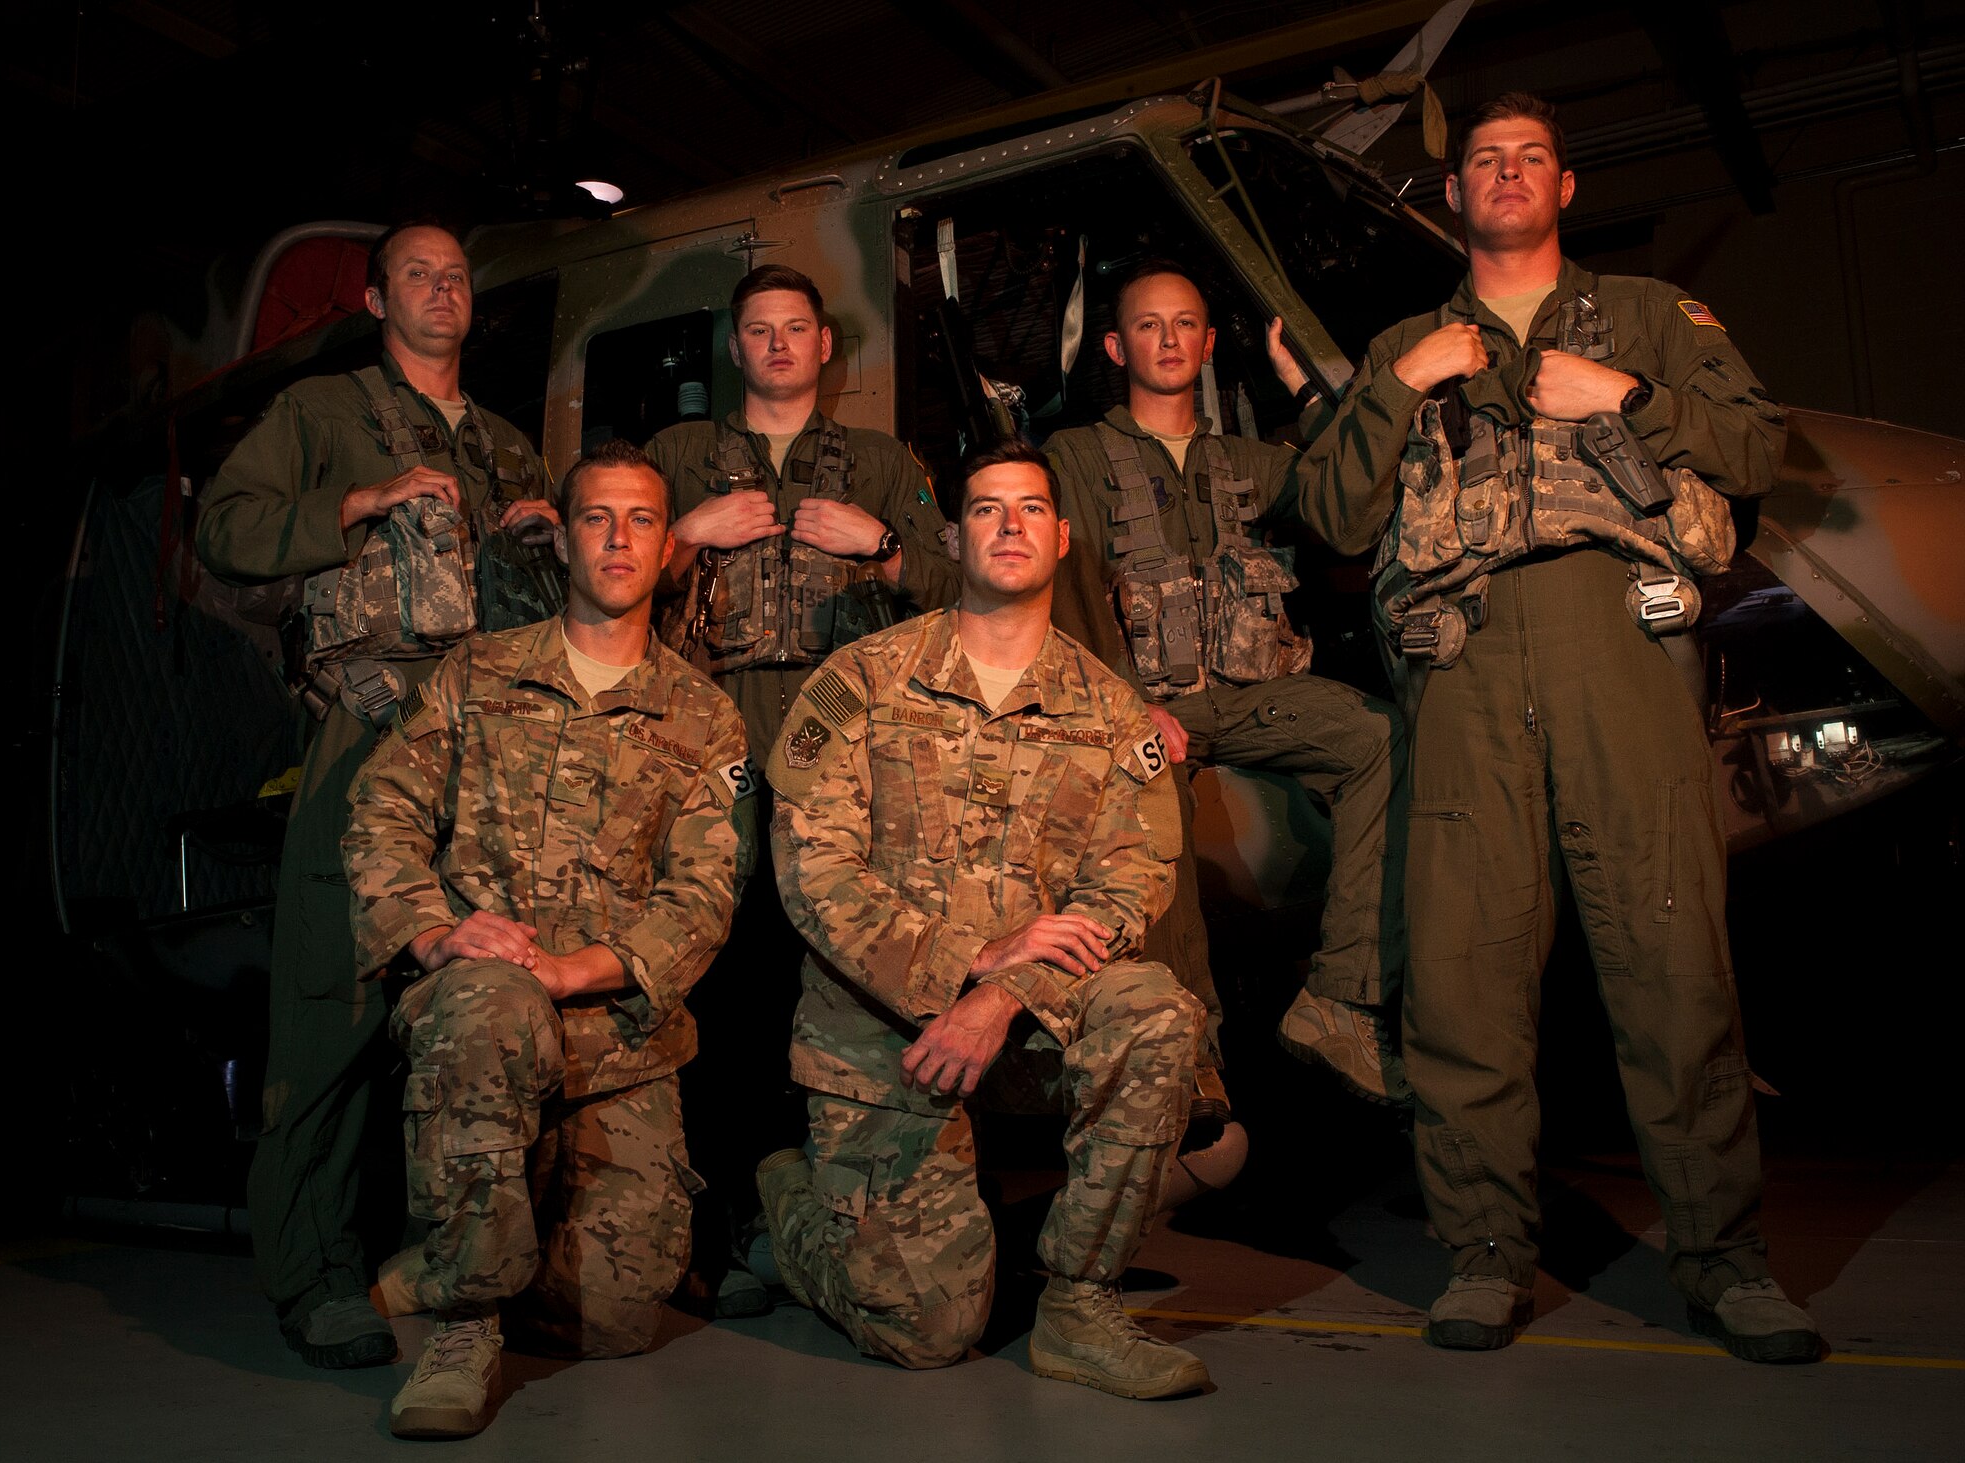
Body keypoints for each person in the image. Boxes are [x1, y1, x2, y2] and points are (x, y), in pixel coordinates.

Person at [1295, 91, 1822, 1362]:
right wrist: (1400, 386)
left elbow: (1756, 442)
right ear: (1455, 193)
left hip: (1617, 649)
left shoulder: (1645, 315)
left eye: (1531, 157)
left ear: (1564, 187)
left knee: (1671, 962)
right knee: (1464, 978)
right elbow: (1328, 512)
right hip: (1461, 671)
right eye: (1484, 160)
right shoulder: (1408, 343)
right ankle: (1480, 1253)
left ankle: (1724, 1260)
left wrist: (1628, 396)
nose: (1508, 174)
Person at [755, 439, 1211, 1400]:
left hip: (1026, 1024)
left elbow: (1130, 887)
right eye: (989, 509)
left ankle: (1080, 1306)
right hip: (885, 1031)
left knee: (1155, 1011)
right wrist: (962, 965)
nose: (1011, 525)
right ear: (953, 535)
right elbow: (811, 870)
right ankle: (788, 1202)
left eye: (1032, 509)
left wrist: (1000, 992)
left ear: (1063, 537)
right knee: (928, 1333)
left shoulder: (1109, 711)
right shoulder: (862, 681)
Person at [196, 221, 560, 1368]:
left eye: (457, 276)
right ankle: (313, 1274)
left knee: (489, 1010)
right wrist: (354, 503)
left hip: (496, 760)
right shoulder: (323, 414)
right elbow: (225, 529)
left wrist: (544, 538)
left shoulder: (506, 443)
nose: (442, 291)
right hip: (369, 745)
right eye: (418, 273)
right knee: (334, 1014)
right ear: (374, 295)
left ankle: (460, 1257)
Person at [343, 440, 755, 1437]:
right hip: (479, 1014)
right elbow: (379, 810)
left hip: (617, 1038)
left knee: (611, 1319)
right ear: (564, 538)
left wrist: (582, 967)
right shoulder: (480, 672)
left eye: (641, 520)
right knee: (494, 999)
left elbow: (705, 890)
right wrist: (435, 933)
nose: (617, 537)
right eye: (595, 517)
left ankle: (453, 1240)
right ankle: (462, 1322)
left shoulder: (702, 714)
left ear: (667, 551)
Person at [645, 265, 957, 1313]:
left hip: (849, 761)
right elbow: (599, 570)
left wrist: (879, 542)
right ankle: (728, 1219)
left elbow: (955, 587)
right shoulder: (679, 459)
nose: (776, 346)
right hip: (712, 747)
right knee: (721, 985)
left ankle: (845, 1207)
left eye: (795, 329)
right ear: (734, 350)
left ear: (826, 347)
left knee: (844, 983)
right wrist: (686, 533)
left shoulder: (876, 462)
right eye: (756, 331)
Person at [1045, 260, 1408, 1110]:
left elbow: (1353, 505)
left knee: (1386, 737)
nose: (1168, 340)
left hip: (1251, 693)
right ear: (1115, 345)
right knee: (1150, 802)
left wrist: (1309, 396)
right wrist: (1126, 707)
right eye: (1147, 325)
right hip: (1141, 700)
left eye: (1184, 325)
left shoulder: (1251, 458)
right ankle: (1192, 1046)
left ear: (1207, 343)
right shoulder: (1078, 456)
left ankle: (1344, 999)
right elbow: (1068, 595)